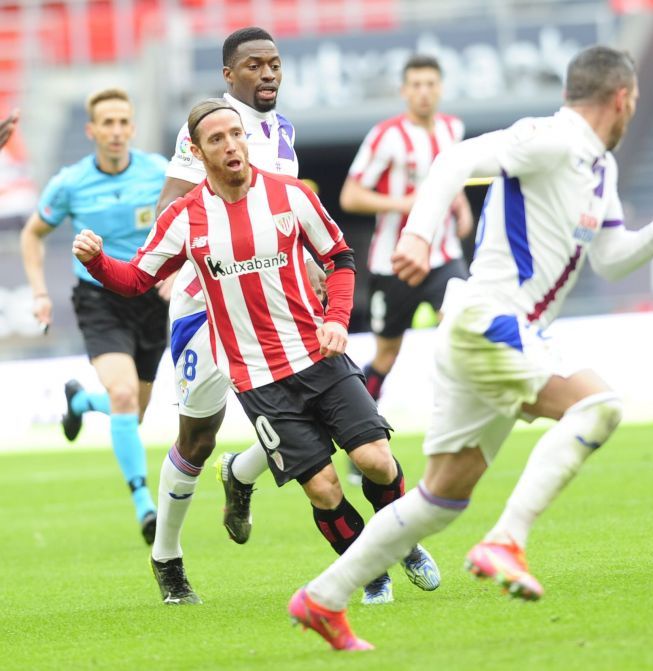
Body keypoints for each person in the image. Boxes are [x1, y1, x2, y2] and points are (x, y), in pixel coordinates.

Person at [287, 45, 653, 651]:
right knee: (600, 405)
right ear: (621, 99)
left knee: (439, 500)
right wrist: (416, 235)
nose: (633, 113)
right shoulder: (551, 138)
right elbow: (455, 159)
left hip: (492, 330)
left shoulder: (599, 168)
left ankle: (322, 599)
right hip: (494, 319)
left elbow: (613, 259)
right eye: (634, 103)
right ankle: (507, 540)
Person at [73, 99, 440, 608]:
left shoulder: (290, 195)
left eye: (236, 135)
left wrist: (335, 319)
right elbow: (136, 278)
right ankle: (370, 571)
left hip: (318, 354)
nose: (232, 146)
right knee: (324, 491)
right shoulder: (186, 217)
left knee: (376, 461)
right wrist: (97, 261)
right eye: (217, 140)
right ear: (198, 154)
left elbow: (339, 257)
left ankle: (404, 542)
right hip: (259, 378)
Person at [148, 26, 327, 605]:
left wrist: (310, 262)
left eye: (275, 63)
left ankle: (243, 473)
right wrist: (174, 263)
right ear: (230, 75)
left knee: (321, 410)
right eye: (254, 65)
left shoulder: (282, 130)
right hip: (207, 306)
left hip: (274, 306)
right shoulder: (208, 126)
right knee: (196, 438)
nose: (268, 73)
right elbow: (172, 200)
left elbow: (283, 208)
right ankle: (167, 558)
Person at [20, 88, 167, 544]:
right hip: (99, 300)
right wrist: (41, 292)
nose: (117, 131)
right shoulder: (69, 183)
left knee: (134, 413)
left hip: (151, 299)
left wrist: (177, 273)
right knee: (123, 394)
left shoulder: (160, 173)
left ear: (133, 128)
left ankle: (81, 402)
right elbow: (32, 234)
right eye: (108, 123)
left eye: (124, 122)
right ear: (91, 131)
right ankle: (145, 505)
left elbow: (187, 222)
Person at [339, 54, 473, 484]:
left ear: (441, 88)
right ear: (404, 90)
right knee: (386, 354)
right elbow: (350, 196)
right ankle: (358, 438)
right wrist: (406, 205)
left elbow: (453, 180)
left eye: (430, 83)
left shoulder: (454, 129)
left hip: (444, 255)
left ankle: (457, 434)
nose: (423, 91)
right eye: (415, 84)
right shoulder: (386, 137)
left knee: (459, 327)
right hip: (393, 261)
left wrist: (461, 207)